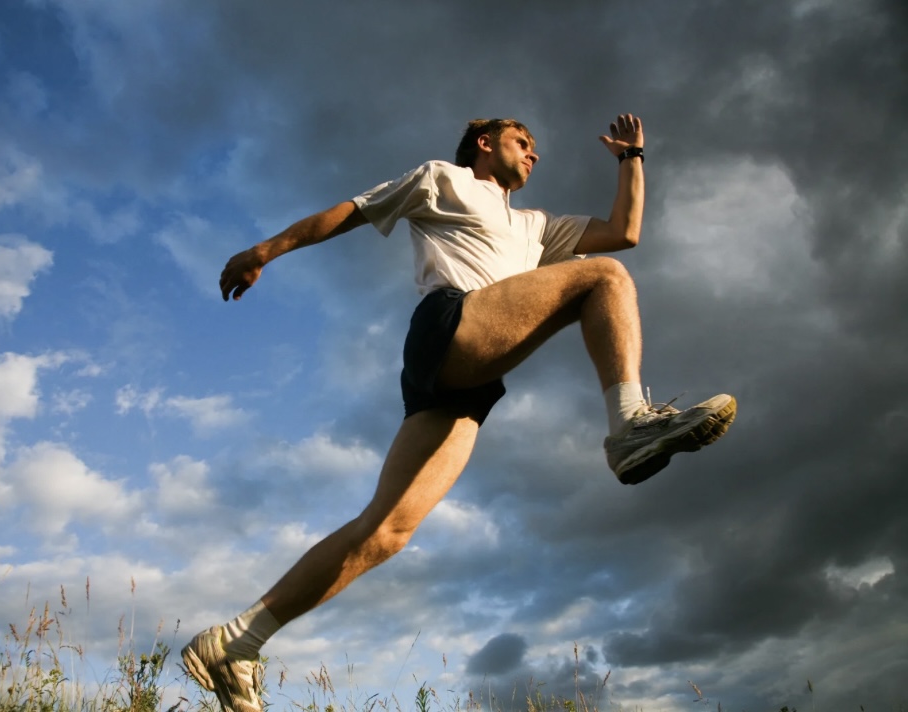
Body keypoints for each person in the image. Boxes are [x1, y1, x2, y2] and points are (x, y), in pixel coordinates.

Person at [182, 115, 736, 712]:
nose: (534, 154)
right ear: (485, 143)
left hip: (468, 380)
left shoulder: (537, 226)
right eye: (523, 142)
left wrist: (633, 160)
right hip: (449, 326)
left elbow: (625, 231)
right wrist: (266, 249)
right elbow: (349, 211)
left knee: (389, 530)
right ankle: (629, 425)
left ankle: (236, 642)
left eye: (534, 148)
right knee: (604, 279)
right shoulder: (442, 179)